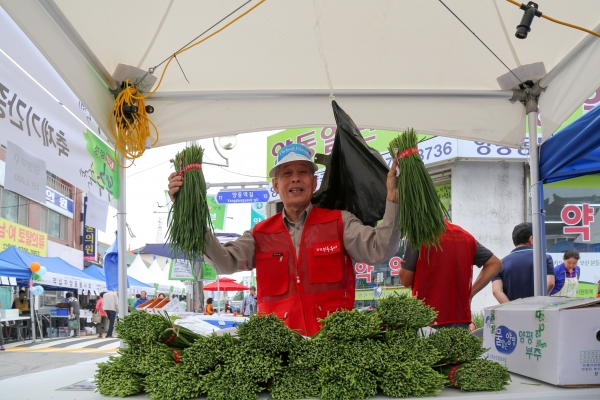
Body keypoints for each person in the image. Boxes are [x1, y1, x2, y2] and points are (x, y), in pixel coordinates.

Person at [169, 143, 400, 336]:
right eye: (287, 173)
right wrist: (189, 210)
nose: (295, 179)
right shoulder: (260, 233)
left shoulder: (340, 222)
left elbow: (379, 251)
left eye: (303, 172)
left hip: (334, 347)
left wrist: (393, 200)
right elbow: (224, 263)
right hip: (280, 353)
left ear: (314, 181)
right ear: (276, 185)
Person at [399, 223, 503, 329]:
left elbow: (405, 280)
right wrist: (470, 293)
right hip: (460, 317)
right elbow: (495, 264)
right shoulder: (465, 236)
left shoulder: (419, 235)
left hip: (428, 318)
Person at [492, 222, 555, 303]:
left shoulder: (500, 263)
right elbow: (550, 283)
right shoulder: (544, 258)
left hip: (513, 312)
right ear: (531, 239)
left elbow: (496, 291)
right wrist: (537, 303)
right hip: (538, 310)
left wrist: (511, 308)